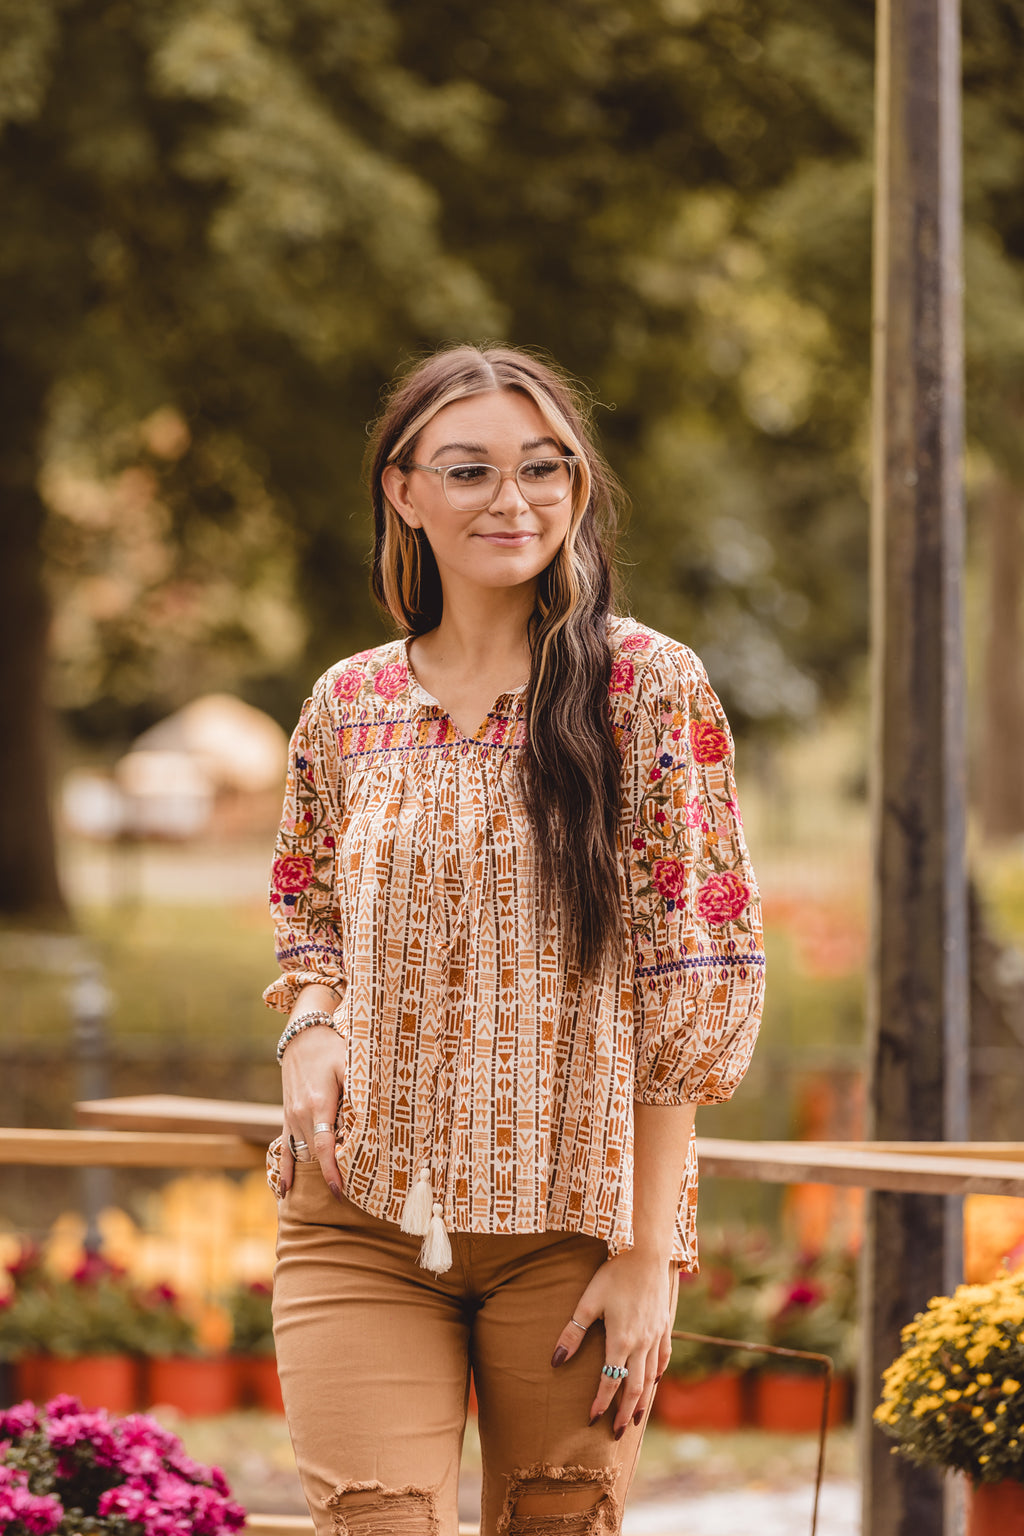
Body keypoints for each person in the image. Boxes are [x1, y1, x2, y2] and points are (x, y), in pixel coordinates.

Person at [264, 344, 765, 1536]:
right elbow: (307, 912)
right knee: (373, 1518)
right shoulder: (347, 705)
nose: (514, 499)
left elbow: (687, 983)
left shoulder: (645, 688)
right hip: (360, 1216)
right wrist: (311, 1021)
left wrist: (648, 1256)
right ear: (405, 491)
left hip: (573, 1227)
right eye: (472, 470)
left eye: (544, 469)